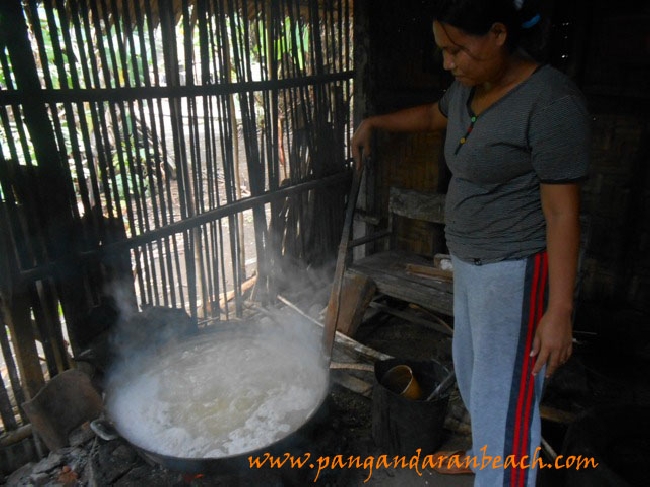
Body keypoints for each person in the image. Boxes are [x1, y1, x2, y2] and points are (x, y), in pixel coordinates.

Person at [351, 0, 590, 485]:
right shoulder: (468, 91)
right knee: (479, 380)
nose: (448, 62)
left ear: (499, 33)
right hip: (468, 265)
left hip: (513, 273)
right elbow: (429, 117)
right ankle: (488, 462)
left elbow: (562, 212)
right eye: (442, 49)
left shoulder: (550, 103)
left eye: (457, 49)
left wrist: (559, 309)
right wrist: (374, 123)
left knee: (505, 400)